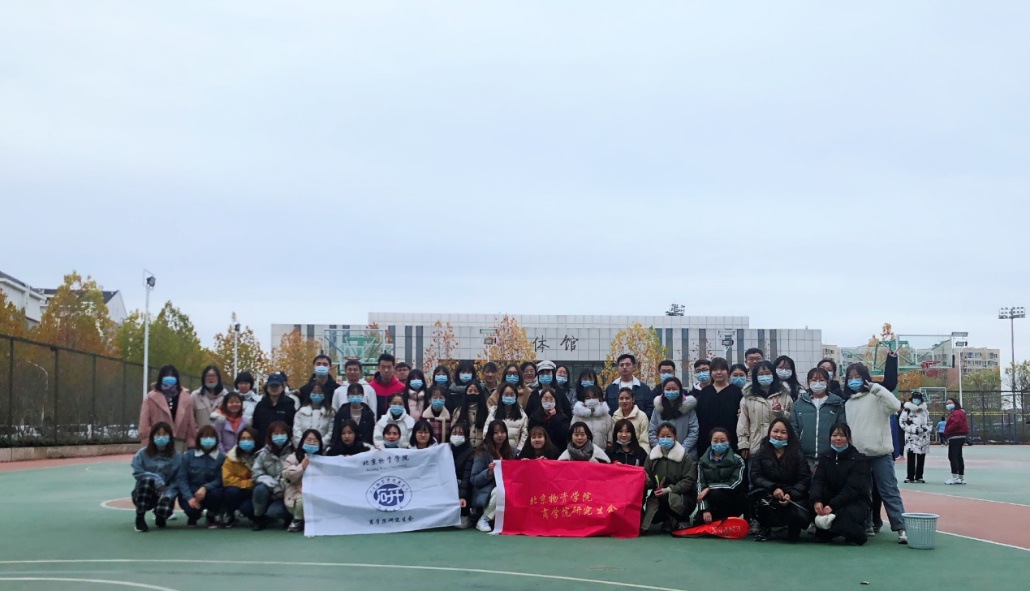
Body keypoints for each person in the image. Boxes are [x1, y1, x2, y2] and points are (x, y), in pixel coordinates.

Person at [843, 363, 908, 544]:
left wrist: (876, 388)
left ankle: (901, 527)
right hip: (859, 456)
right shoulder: (848, 403)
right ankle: (867, 524)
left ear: (865, 378)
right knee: (863, 492)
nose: (853, 381)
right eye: (850, 378)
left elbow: (895, 405)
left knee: (889, 491)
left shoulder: (877, 397)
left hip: (880, 453)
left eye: (857, 377)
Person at [748, 418, 809, 542]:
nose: (778, 435)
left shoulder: (797, 454)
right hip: (769, 491)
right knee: (756, 497)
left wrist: (790, 494)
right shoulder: (761, 452)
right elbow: (755, 476)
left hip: (791, 494)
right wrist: (773, 488)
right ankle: (766, 527)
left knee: (794, 533)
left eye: (783, 432)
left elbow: (805, 479)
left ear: (789, 435)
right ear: (770, 432)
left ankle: (790, 528)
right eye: (775, 431)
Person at [810, 424, 872, 545]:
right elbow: (818, 481)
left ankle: (853, 532)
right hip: (831, 499)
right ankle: (830, 530)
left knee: (845, 517)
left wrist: (832, 505)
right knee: (811, 506)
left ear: (848, 438)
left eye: (842, 435)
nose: (838, 438)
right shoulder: (825, 457)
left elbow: (852, 489)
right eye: (834, 435)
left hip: (855, 501)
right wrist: (816, 501)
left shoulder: (858, 459)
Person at [641, 422, 696, 533]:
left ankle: (681, 519)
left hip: (683, 495)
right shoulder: (651, 457)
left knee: (669, 498)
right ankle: (668, 520)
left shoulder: (685, 457)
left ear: (675, 437)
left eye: (668, 436)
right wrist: (646, 480)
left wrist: (669, 489)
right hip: (659, 494)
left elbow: (689, 480)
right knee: (653, 517)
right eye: (662, 436)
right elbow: (649, 480)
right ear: (657, 437)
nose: (665, 439)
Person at [791, 368, 847, 472]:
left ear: (827, 382)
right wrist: (797, 450)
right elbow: (794, 428)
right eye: (814, 380)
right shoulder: (799, 403)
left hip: (829, 456)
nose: (818, 383)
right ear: (808, 382)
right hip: (805, 456)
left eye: (821, 380)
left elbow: (842, 427)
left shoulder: (837, 403)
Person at [130, 421, 181, 532]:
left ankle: (160, 516)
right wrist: (157, 480)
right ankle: (140, 517)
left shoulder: (176, 457)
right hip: (144, 492)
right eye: (158, 434)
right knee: (147, 481)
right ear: (152, 436)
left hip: (165, 493)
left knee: (164, 510)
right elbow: (137, 472)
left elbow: (177, 480)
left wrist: (167, 495)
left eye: (165, 434)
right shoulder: (142, 454)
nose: (161, 437)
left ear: (170, 437)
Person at [736, 361, 793, 459]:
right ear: (755, 377)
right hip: (755, 446)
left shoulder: (785, 396)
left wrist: (779, 412)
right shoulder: (748, 397)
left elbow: (792, 421)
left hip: (780, 447)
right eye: (761, 374)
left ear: (774, 375)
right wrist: (743, 444)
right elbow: (743, 423)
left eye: (768, 373)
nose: (764, 376)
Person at [694, 427, 747, 525]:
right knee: (698, 522)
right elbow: (700, 486)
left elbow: (735, 483)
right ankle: (716, 519)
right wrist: (705, 509)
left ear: (729, 442)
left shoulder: (738, 460)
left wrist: (710, 488)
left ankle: (725, 519)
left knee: (717, 494)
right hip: (711, 502)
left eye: (723, 441)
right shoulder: (702, 461)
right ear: (711, 441)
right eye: (715, 441)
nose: (719, 444)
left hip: (732, 499)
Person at [176, 425, 225, 528]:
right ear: (199, 439)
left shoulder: (221, 458)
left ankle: (211, 516)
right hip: (191, 492)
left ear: (216, 440)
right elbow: (181, 478)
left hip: (209, 492)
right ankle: (193, 517)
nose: (208, 440)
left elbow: (219, 479)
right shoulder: (188, 456)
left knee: (217, 494)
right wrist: (189, 497)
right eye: (205, 437)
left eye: (211, 437)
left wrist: (205, 488)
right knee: (192, 511)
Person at [139, 365, 196, 453]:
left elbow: (190, 423)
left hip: (178, 442)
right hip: (158, 441)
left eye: (172, 375)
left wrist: (191, 443)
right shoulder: (151, 397)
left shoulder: (186, 398)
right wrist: (147, 441)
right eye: (166, 375)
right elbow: (144, 422)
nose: (169, 378)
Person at [471, 420, 514, 532]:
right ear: (490, 434)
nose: (500, 435)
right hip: (487, 493)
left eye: (502, 432)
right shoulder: (482, 452)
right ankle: (484, 519)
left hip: (507, 490)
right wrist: (488, 473)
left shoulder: (510, 451)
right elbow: (474, 479)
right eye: (496, 432)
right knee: (500, 491)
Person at [696, 358, 744, 456]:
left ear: (727, 372)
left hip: (731, 439)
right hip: (706, 440)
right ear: (710, 373)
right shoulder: (705, 392)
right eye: (715, 370)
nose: (718, 372)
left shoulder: (736, 392)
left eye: (722, 369)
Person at [250, 421, 293, 530]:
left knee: (274, 512)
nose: (279, 437)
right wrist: (275, 487)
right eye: (276, 434)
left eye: (282, 433)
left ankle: (288, 517)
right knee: (259, 489)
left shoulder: (294, 452)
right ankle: (259, 518)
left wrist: (283, 488)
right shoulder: (263, 453)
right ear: (270, 435)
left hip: (287, 491)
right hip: (269, 489)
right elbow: (256, 473)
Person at [648, 378, 699, 460]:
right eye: (668, 389)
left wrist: (681, 450)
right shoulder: (657, 409)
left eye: (674, 389)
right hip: (661, 456)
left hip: (685, 455)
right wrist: (659, 449)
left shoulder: (689, 409)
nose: (671, 391)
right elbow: (652, 431)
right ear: (663, 390)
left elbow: (694, 431)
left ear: (680, 390)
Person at [282, 428, 322, 532]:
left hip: (317, 492)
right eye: (309, 440)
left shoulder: (324, 458)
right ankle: (297, 521)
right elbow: (287, 476)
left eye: (315, 440)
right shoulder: (292, 458)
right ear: (302, 441)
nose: (312, 443)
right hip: (295, 495)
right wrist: (302, 466)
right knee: (303, 497)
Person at [251, 373, 296, 447]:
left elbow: (293, 425)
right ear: (267, 388)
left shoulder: (289, 404)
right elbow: (255, 426)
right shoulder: (260, 405)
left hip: (284, 445)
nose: (274, 388)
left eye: (277, 386)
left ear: (282, 388)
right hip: (263, 445)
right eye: (272, 386)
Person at [605, 354, 653, 418]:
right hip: (615, 422)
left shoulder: (643, 388)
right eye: (621, 365)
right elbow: (606, 409)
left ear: (634, 367)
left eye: (627, 365)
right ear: (618, 368)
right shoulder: (611, 388)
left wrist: (640, 419)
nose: (624, 367)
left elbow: (650, 408)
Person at [486, 383, 529, 453]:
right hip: (494, 452)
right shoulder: (493, 412)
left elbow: (525, 435)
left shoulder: (522, 414)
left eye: (512, 395)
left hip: (514, 453)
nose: (509, 397)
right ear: (501, 396)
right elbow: (486, 431)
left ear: (516, 396)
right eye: (506, 394)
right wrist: (492, 449)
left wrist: (519, 451)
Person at [450, 422, 476, 528]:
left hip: (462, 486)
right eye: (454, 433)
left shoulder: (471, 452)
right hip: (447, 484)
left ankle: (465, 514)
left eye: (460, 434)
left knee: (461, 526)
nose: (457, 436)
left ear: (466, 436)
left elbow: (466, 477)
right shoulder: (446, 449)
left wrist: (462, 497)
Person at [900, 392, 930, 483]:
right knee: (911, 456)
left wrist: (926, 429)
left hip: (923, 437)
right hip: (911, 437)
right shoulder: (907, 410)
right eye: (915, 399)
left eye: (918, 399)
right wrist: (912, 429)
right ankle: (910, 476)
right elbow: (902, 422)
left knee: (921, 456)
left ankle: (919, 476)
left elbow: (929, 422)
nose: (916, 400)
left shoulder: (925, 411)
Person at [572, 385, 614, 449]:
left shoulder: (607, 417)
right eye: (588, 398)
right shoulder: (576, 417)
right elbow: (572, 436)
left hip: (602, 452)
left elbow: (610, 436)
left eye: (594, 397)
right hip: (581, 452)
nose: (591, 400)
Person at [452, 381, 490, 450]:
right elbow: (453, 429)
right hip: (464, 448)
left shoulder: (487, 410)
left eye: (476, 391)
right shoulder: (458, 410)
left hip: (482, 449)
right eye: (470, 391)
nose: (473, 393)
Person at [611, 387, 650, 453]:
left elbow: (644, 441)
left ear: (633, 399)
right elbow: (613, 438)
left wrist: (641, 455)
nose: (624, 401)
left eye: (627, 398)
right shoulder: (615, 416)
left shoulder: (642, 416)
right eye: (621, 398)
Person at [943, 398, 970, 485]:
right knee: (958, 457)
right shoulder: (958, 412)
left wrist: (947, 431)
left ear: (955, 403)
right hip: (959, 436)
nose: (948, 405)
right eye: (947, 403)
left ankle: (955, 477)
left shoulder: (956, 413)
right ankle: (960, 477)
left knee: (953, 456)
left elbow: (956, 423)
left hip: (955, 436)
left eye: (950, 403)